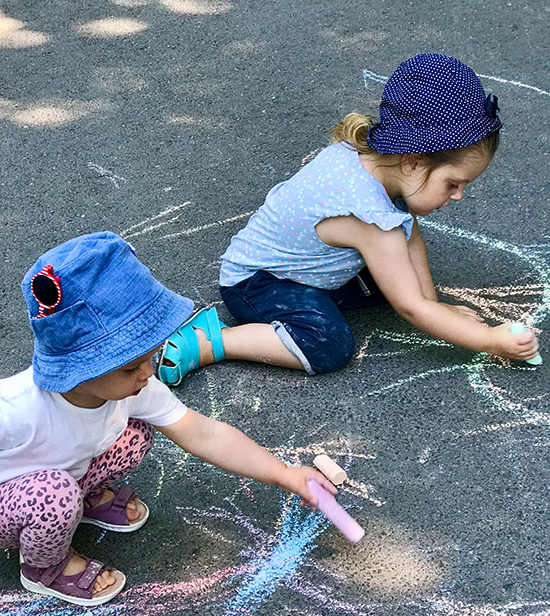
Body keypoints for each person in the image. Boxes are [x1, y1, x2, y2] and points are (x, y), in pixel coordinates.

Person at [0, 232, 333, 606]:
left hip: (59, 475)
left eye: (148, 357)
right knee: (54, 493)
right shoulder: (15, 406)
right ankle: (44, 567)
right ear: (82, 368)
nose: (147, 372)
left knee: (135, 433)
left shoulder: (132, 386)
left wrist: (283, 473)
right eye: (133, 365)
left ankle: (83, 499)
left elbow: (202, 433)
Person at [158, 53, 539, 386]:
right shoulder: (370, 217)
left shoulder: (376, 164)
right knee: (329, 344)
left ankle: (266, 321)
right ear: (413, 160)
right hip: (259, 285)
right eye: (453, 183)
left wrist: (433, 303)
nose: (458, 195)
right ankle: (213, 342)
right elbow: (411, 308)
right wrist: (490, 340)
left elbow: (410, 239)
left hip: (306, 267)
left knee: (392, 281)